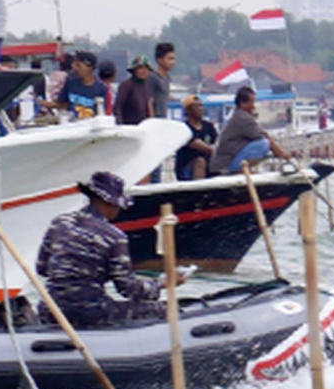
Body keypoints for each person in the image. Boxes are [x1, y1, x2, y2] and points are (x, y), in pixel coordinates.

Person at [34, 172, 166, 328]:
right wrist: (162, 283)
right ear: (111, 203)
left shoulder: (59, 223)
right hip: (91, 312)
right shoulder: (114, 236)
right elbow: (128, 288)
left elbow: (42, 268)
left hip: (50, 309)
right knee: (162, 310)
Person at [211, 85, 289, 173]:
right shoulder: (242, 118)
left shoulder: (239, 115)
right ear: (242, 103)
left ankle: (245, 168)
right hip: (226, 163)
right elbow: (264, 136)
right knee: (263, 144)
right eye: (251, 103)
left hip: (227, 159)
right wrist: (281, 154)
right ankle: (241, 170)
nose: (254, 106)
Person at [45, 52, 107, 119]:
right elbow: (61, 103)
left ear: (89, 68)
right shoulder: (70, 82)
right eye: (74, 65)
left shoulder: (101, 89)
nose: (74, 68)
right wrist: (41, 103)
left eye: (78, 65)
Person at [175, 96, 217, 180]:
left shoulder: (208, 126)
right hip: (187, 167)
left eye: (201, 106)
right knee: (200, 161)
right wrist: (211, 149)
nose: (200, 109)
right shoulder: (184, 128)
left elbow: (217, 143)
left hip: (209, 163)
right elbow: (196, 144)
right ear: (187, 110)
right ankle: (198, 192)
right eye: (196, 106)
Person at [113, 57, 153, 126]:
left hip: (143, 127)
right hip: (128, 127)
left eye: (146, 68)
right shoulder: (126, 85)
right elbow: (118, 107)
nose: (144, 71)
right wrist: (120, 125)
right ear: (134, 70)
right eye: (141, 68)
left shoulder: (147, 86)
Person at [149, 42, 176, 118]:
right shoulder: (152, 78)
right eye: (170, 59)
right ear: (160, 60)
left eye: (173, 59)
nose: (173, 62)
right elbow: (149, 101)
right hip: (155, 121)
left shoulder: (167, 77)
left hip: (163, 118)